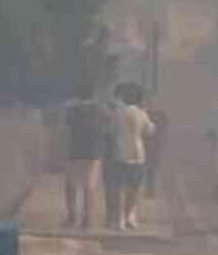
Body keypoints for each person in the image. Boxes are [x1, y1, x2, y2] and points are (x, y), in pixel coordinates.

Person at [60, 82, 110, 228]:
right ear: (93, 93)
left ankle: (71, 216)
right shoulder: (101, 109)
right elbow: (109, 125)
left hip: (74, 150)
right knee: (90, 186)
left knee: (71, 184)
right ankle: (87, 218)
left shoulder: (70, 109)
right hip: (94, 151)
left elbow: (64, 129)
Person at [111, 83, 156, 231]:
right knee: (134, 188)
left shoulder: (118, 112)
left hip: (119, 154)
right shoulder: (141, 114)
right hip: (137, 155)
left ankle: (119, 219)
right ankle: (130, 215)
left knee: (118, 188)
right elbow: (150, 131)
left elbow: (111, 130)